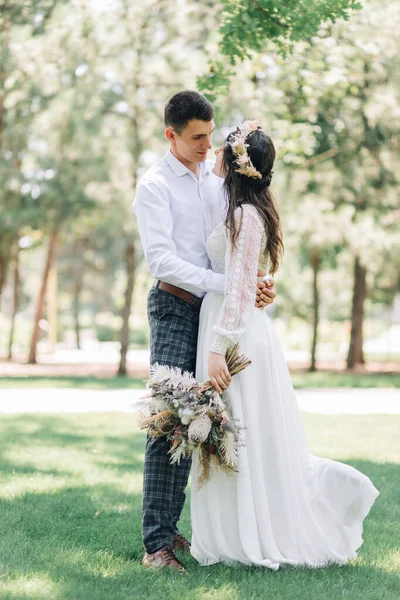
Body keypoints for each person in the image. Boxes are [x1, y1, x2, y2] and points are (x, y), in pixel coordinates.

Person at [190, 121, 379, 569]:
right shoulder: (245, 210)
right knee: (231, 430)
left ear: (236, 163)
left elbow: (238, 291)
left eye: (224, 145)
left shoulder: (244, 216)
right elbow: (245, 282)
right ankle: (233, 532)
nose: (213, 149)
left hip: (231, 333)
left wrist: (219, 348)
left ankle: (250, 535)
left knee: (238, 430)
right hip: (230, 325)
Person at [133, 91, 276, 573]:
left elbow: (235, 245)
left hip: (216, 315)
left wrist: (253, 286)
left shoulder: (218, 181)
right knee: (170, 420)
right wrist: (228, 284)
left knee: (209, 423)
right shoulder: (153, 185)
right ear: (170, 135)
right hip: (175, 307)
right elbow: (161, 259)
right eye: (196, 137)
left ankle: (178, 527)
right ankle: (157, 544)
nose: (206, 145)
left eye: (210, 135)